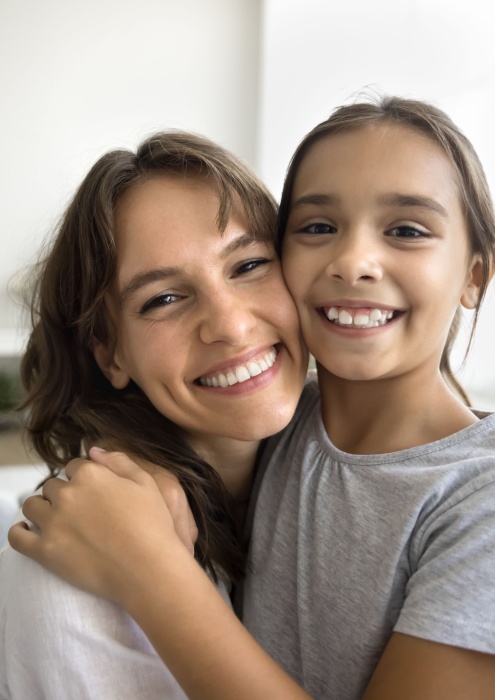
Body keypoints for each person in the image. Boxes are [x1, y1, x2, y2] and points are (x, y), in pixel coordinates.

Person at [9, 96, 495, 699]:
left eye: (247, 266)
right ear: (110, 352)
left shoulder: (474, 498)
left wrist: (150, 571)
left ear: (475, 274)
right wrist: (128, 468)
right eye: (318, 227)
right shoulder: (269, 440)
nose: (353, 261)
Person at [0, 130, 308, 699]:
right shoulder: (69, 586)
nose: (231, 325)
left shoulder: (333, 484)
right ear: (112, 355)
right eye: (163, 299)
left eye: (248, 265)